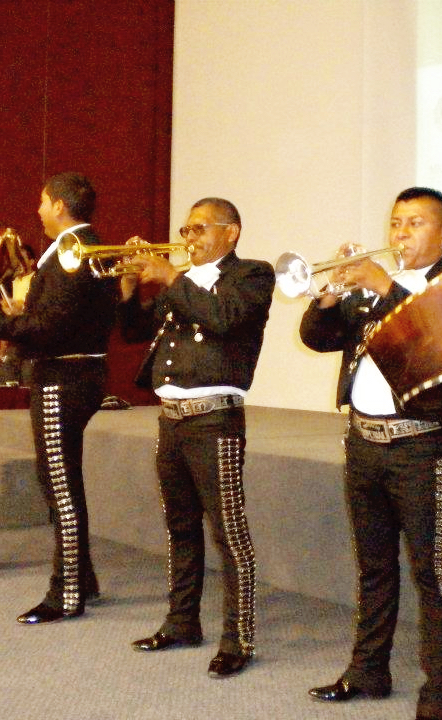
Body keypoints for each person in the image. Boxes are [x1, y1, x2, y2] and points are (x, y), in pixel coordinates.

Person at [300, 187, 442, 720]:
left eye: (415, 224)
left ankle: (438, 693)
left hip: (420, 447)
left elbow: (430, 339)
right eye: (395, 223)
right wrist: (327, 294)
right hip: (363, 443)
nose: (400, 234)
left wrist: (383, 283)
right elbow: (317, 338)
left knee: (432, 574)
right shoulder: (369, 293)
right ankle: (369, 672)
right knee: (373, 568)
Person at [119, 198, 274, 679]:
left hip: (215, 422)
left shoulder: (251, 275)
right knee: (180, 528)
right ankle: (182, 621)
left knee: (229, 533)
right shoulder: (181, 283)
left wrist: (170, 277)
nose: (190, 237)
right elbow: (132, 332)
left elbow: (224, 318)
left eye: (201, 228)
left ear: (232, 232)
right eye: (187, 228)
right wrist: (129, 288)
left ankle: (239, 638)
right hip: (172, 420)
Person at [0, 172, 116, 623]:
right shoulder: (85, 248)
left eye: (43, 202)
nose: (38, 210)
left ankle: (66, 592)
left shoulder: (72, 252)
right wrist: (21, 316)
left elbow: (50, 328)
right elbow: (58, 317)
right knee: (61, 483)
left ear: (61, 207)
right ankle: (81, 576)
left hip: (63, 377)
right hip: (76, 371)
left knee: (60, 487)